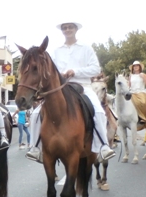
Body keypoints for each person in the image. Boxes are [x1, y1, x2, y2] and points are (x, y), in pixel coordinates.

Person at [26, 21, 115, 163]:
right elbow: (50, 71)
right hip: (61, 87)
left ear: (75, 29)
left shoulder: (86, 48)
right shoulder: (56, 51)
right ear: (62, 31)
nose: (67, 29)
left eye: (70, 27)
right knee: (36, 114)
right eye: (65, 28)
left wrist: (75, 71)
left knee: (98, 111)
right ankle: (35, 148)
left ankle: (103, 146)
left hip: (83, 86)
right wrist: (60, 75)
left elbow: (96, 69)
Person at [128, 60, 146, 144]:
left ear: (140, 67)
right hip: (132, 92)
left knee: (142, 102)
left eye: (137, 66)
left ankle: (142, 117)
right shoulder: (131, 75)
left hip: (140, 92)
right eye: (134, 66)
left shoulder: (143, 75)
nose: (136, 67)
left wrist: (144, 79)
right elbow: (129, 85)